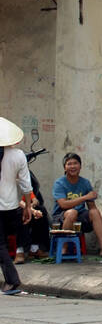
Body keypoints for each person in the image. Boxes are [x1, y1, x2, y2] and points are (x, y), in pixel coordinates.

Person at [52, 152, 102, 259]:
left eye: (75, 163)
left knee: (94, 212)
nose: (72, 166)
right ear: (65, 168)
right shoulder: (59, 183)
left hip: (79, 218)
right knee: (72, 212)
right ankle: (64, 247)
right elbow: (63, 204)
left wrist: (98, 220)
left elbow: (91, 206)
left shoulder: (85, 183)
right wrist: (84, 197)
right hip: (61, 217)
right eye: (69, 164)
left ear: (80, 166)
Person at [0, 117, 34, 295]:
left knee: (1, 246)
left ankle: (12, 281)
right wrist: (28, 206)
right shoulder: (18, 155)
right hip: (11, 206)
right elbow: (26, 184)